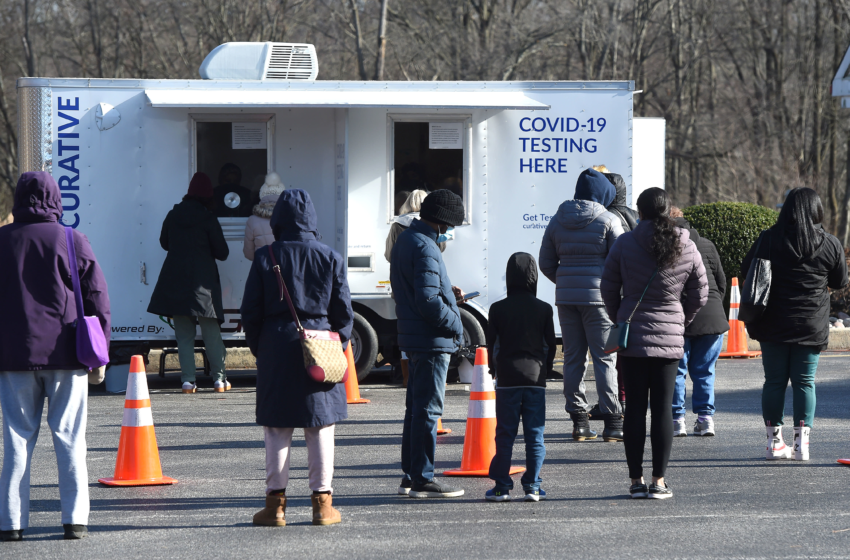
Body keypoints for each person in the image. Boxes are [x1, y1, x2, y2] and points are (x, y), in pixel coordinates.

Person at [0, 172, 111, 541]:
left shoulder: (2, 240)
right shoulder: (71, 239)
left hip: (13, 356)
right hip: (66, 354)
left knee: (16, 440)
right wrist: (101, 351)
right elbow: (97, 298)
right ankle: (74, 520)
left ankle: (11, 523)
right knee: (69, 437)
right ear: (55, 198)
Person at [241, 189, 353, 527]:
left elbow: (251, 311)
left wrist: (262, 347)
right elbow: (343, 312)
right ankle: (323, 505)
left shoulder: (265, 256)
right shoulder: (331, 256)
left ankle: (275, 507)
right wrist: (337, 345)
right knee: (320, 426)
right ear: (311, 219)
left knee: (277, 427)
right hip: (319, 345)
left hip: (276, 344)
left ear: (278, 220)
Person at [601, 187, 707, 499]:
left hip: (632, 337)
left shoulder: (625, 242)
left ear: (641, 211)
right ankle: (659, 482)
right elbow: (701, 292)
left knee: (634, 409)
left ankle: (636, 481)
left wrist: (620, 316)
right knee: (662, 410)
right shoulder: (685, 244)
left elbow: (608, 286)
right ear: (667, 210)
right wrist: (680, 320)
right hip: (670, 339)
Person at [741, 187, 847, 461]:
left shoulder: (769, 239)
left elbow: (747, 270)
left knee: (774, 381)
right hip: (811, 324)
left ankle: (774, 443)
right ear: (816, 210)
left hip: (772, 322)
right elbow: (839, 281)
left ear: (787, 209)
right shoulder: (830, 243)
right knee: (805, 382)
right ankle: (802, 445)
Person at [539, 168, 624, 442]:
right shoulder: (609, 219)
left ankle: (580, 423)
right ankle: (613, 424)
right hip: (600, 301)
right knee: (605, 358)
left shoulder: (556, 220)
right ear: (602, 194)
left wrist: (565, 281)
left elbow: (546, 263)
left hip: (566, 299)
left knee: (573, 358)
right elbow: (622, 261)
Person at [391, 189, 466, 498]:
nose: (452, 232)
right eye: (452, 226)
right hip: (431, 339)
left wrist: (449, 292)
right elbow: (428, 301)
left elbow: (420, 289)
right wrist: (456, 322)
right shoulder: (427, 247)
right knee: (429, 410)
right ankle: (423, 477)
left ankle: (411, 475)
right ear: (442, 222)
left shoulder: (408, 240)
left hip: (416, 336)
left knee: (416, 409)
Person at [147, 172, 230, 394]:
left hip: (175, 281)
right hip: (203, 285)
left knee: (184, 335)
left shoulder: (173, 215)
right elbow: (222, 252)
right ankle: (219, 380)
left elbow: (164, 243)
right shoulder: (208, 217)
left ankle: (187, 381)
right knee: (211, 332)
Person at [485, 253, 555, 502]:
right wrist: (544, 368)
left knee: (505, 434)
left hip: (507, 379)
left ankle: (502, 487)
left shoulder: (497, 308)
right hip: (535, 378)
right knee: (535, 435)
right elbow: (550, 346)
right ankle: (533, 486)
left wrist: (495, 371)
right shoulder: (544, 308)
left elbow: (492, 344)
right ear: (534, 276)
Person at [669, 206, 728, 437]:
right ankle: (705, 420)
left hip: (679, 316)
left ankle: (677, 420)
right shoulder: (706, 244)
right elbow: (720, 282)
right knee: (705, 371)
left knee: (677, 371)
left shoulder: (665, 245)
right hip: (712, 316)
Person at [587, 169, 638, 417]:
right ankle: (627, 397)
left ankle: (616, 401)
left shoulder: (605, 217)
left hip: (612, 293)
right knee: (628, 348)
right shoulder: (636, 217)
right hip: (633, 291)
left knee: (611, 350)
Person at [384, 190, 447, 263]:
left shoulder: (396, 225)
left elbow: (389, 255)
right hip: (428, 267)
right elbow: (441, 248)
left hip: (402, 271)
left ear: (407, 203)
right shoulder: (434, 224)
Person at [243, 172, 285, 260]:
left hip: (263, 268)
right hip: (286, 269)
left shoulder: (252, 220)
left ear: (262, 195)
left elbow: (248, 254)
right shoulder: (290, 217)